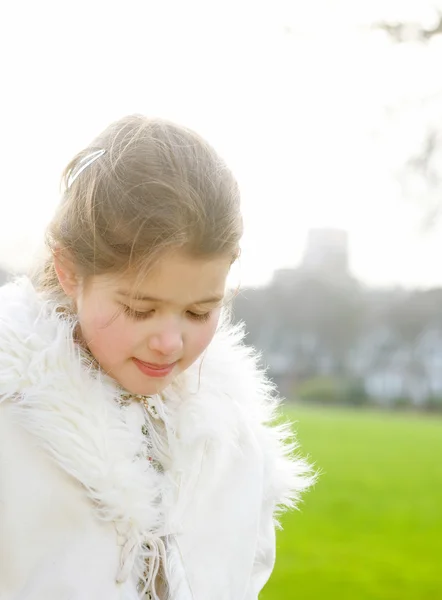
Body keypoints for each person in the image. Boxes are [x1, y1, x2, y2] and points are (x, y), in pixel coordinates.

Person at [0, 115, 315, 600]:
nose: (170, 342)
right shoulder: (12, 429)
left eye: (198, 311)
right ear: (67, 271)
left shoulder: (233, 443)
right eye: (138, 309)